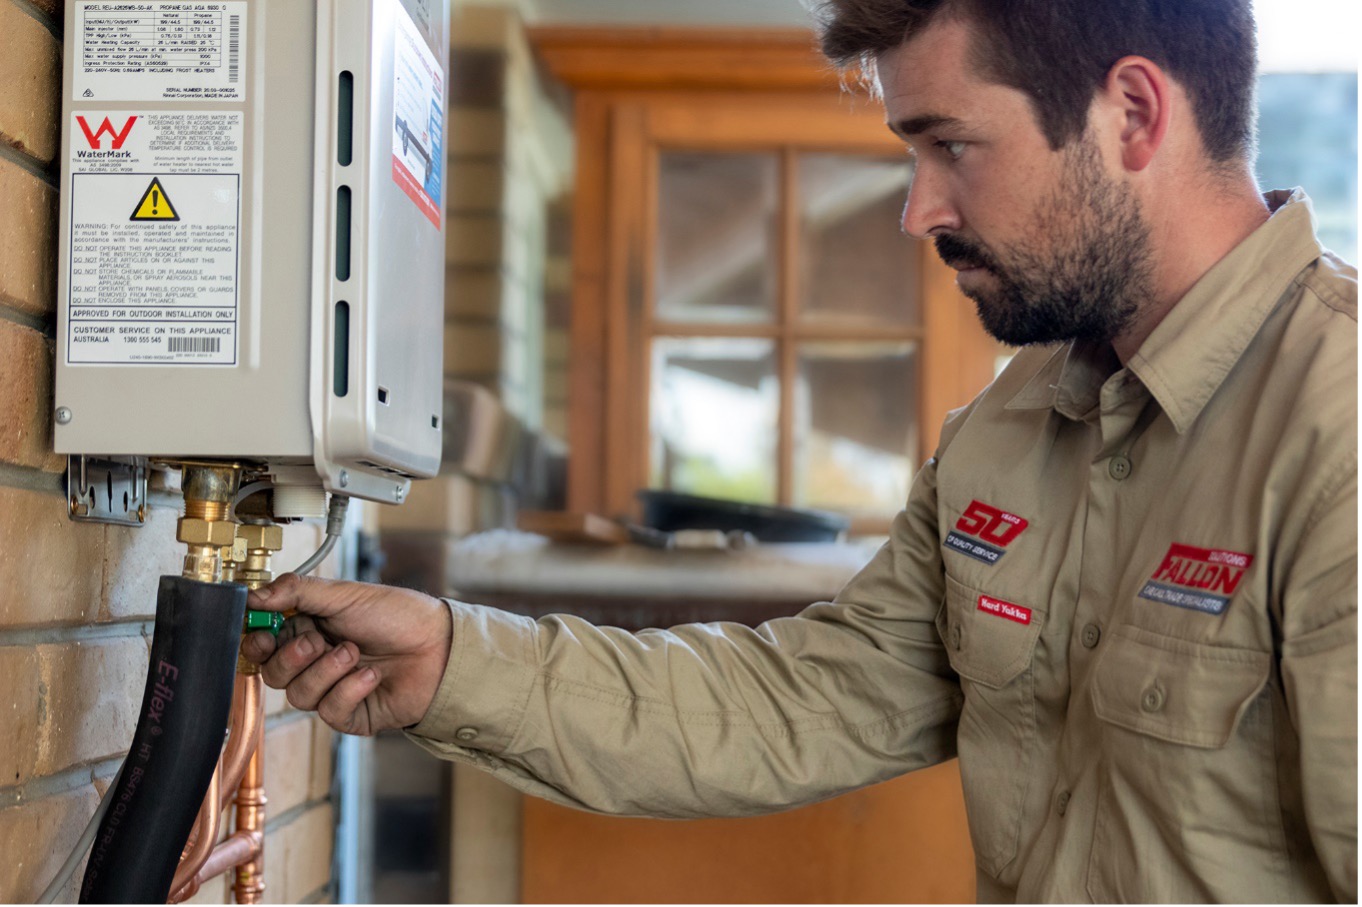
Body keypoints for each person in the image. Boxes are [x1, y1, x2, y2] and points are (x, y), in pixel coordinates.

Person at [243, 0, 1357, 901]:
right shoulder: (1012, 427)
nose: (919, 212)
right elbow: (801, 703)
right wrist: (450, 660)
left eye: (952, 145)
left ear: (1132, 114)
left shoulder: (1338, 429)